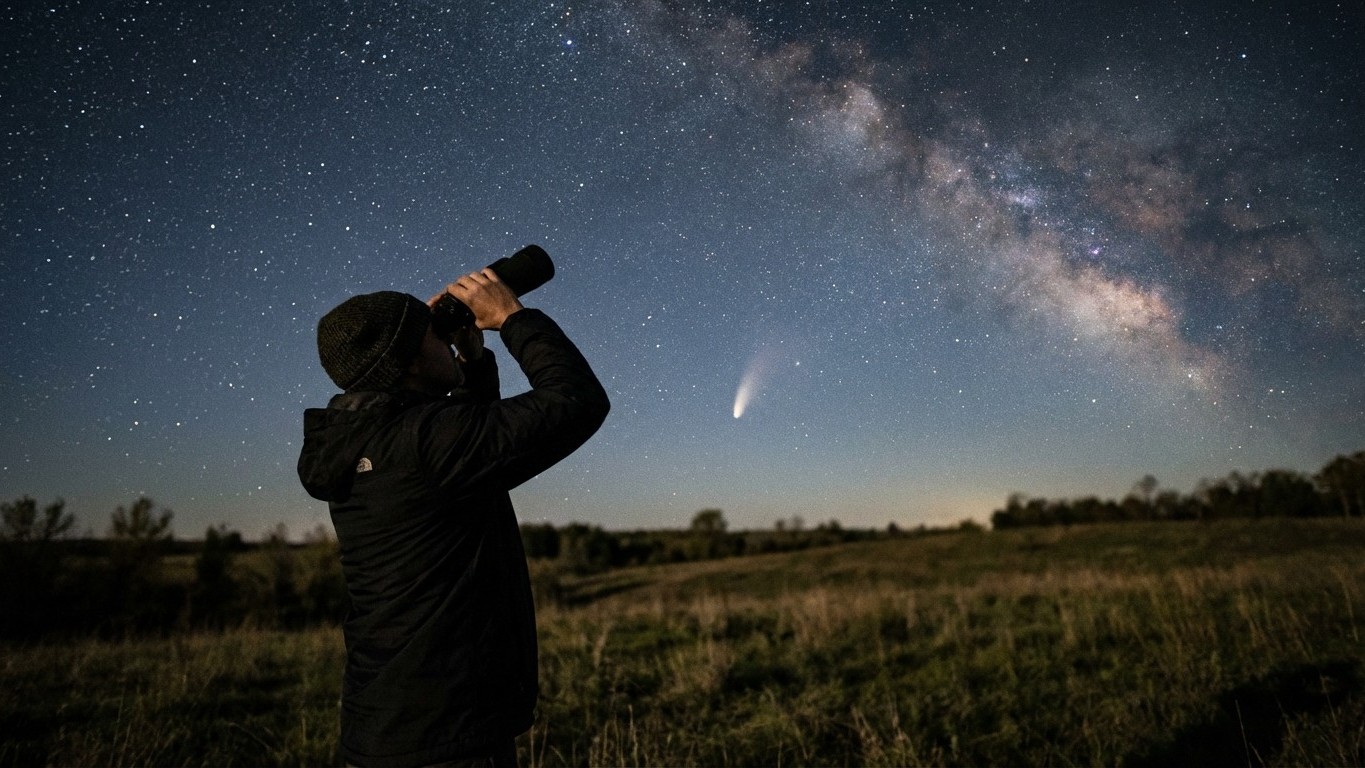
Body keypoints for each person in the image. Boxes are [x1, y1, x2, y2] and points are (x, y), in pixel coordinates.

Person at [297, 267, 609, 767]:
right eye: (432, 336)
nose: (444, 342)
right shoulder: (427, 443)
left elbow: (466, 458)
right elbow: (574, 402)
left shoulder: (366, 442)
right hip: (448, 734)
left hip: (387, 724)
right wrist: (513, 317)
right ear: (411, 364)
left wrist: (473, 362)